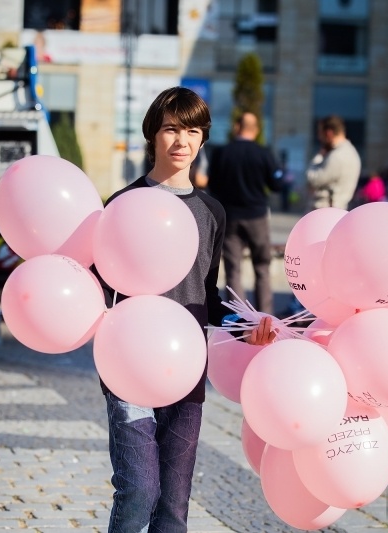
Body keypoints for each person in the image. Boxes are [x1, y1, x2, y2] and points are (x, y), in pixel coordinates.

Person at [97, 87, 276, 533]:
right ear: (152, 135)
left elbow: (207, 293)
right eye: (171, 129)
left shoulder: (212, 212)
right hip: (130, 369)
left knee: (175, 506)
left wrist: (244, 325)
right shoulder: (122, 204)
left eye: (192, 131)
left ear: (203, 139)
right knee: (139, 491)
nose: (182, 141)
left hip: (186, 368)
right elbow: (100, 289)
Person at [207, 111, 283, 314]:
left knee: (233, 269)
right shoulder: (263, 153)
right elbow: (277, 184)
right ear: (256, 130)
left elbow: (212, 185)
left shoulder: (222, 153)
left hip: (230, 217)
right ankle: (265, 316)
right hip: (256, 216)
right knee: (262, 266)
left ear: (236, 127)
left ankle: (240, 318)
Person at [305, 114, 362, 211]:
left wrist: (318, 157)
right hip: (338, 208)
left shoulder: (336, 156)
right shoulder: (351, 152)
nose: (319, 137)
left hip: (325, 211)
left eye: (320, 133)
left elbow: (313, 178)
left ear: (329, 133)